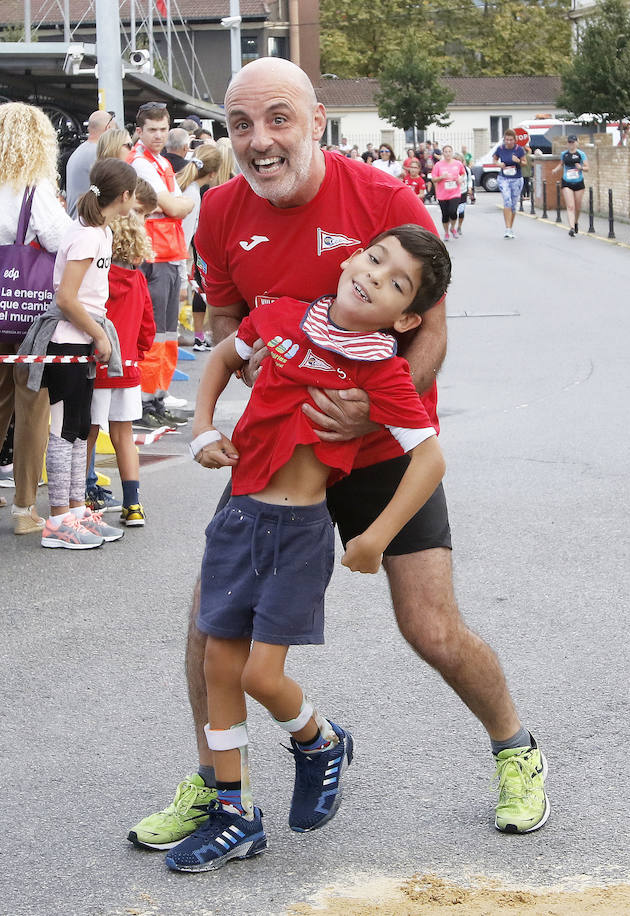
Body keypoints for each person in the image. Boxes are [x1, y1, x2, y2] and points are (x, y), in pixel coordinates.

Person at [127, 57, 550, 854]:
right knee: (208, 621)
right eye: (241, 124)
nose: (259, 141)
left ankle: (516, 750)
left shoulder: (383, 201)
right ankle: (219, 788)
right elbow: (225, 319)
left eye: (278, 119)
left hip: (384, 446)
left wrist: (365, 416)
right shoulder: (218, 211)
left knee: (429, 626)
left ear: (317, 120)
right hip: (282, 455)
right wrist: (239, 401)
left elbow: (431, 331)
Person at [165, 225, 450, 873]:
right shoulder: (283, 317)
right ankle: (235, 815)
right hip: (238, 518)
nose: (375, 275)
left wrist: (376, 538)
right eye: (374, 259)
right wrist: (202, 429)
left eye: (396, 281)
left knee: (261, 676)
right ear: (351, 256)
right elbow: (219, 359)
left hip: (298, 534)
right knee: (218, 666)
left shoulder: (380, 368)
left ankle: (319, 741)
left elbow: (430, 459)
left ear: (406, 316)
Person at [0, 102, 72, 535]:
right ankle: (25, 507)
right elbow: (59, 237)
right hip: (28, 310)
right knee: (33, 405)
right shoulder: (33, 185)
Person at [27, 158, 134, 549]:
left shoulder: (99, 231)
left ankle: (74, 511)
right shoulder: (87, 234)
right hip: (67, 338)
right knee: (62, 431)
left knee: (76, 429)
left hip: (82, 339)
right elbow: (67, 298)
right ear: (123, 196)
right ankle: (57, 518)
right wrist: (99, 335)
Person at [88, 197, 156, 527]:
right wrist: (136, 355)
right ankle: (133, 504)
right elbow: (148, 329)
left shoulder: (94, 276)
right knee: (124, 435)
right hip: (127, 367)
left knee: (86, 433)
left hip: (95, 366)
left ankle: (85, 493)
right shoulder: (139, 281)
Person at [128, 101, 194, 427]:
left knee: (166, 335)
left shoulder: (161, 163)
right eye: (152, 129)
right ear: (139, 131)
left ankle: (156, 397)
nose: (159, 135)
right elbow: (177, 205)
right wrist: (176, 206)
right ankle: (144, 401)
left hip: (168, 253)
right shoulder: (141, 163)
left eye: (163, 128)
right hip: (153, 256)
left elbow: (181, 205)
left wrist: (176, 206)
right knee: (153, 335)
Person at [176, 144, 223, 351]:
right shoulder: (193, 194)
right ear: (212, 174)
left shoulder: (184, 186)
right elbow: (184, 234)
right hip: (176, 256)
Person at [66, 109, 115, 216]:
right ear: (109, 128)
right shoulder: (98, 154)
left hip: (78, 220)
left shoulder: (81, 150)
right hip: (88, 222)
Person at [491, 129, 527, 239]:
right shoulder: (500, 149)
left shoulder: (519, 150)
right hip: (504, 178)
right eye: (507, 139)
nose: (509, 142)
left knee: (513, 205)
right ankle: (507, 228)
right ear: (504, 139)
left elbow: (525, 163)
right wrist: (499, 164)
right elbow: (494, 159)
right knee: (507, 200)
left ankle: (510, 227)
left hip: (516, 179)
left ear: (515, 140)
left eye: (511, 140)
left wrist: (518, 161)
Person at [552, 135, 587, 237]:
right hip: (567, 182)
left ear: (577, 143)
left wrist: (581, 168)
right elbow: (561, 164)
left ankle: (576, 222)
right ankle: (571, 227)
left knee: (578, 206)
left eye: (573, 142)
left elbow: (587, 167)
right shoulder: (564, 154)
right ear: (567, 143)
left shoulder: (581, 154)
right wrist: (555, 169)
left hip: (579, 182)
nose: (571, 144)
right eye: (569, 142)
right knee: (570, 206)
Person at [430, 145, 467, 238]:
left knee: (453, 212)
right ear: (443, 153)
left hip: (455, 192)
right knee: (445, 214)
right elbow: (433, 179)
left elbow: (463, 173)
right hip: (442, 194)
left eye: (449, 151)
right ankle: (446, 232)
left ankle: (453, 228)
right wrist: (441, 177)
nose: (448, 153)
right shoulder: (438, 165)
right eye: (445, 152)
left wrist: (460, 179)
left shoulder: (458, 164)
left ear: (452, 152)